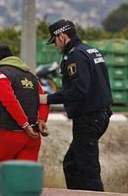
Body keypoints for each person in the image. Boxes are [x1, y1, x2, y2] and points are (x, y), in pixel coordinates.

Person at [39, 19, 112, 191]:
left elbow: (79, 90)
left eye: (55, 41)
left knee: (88, 170)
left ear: (62, 36)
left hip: (89, 118)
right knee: (72, 165)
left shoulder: (75, 55)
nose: (56, 46)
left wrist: (48, 99)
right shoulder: (91, 50)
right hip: (100, 114)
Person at [0, 45, 50, 184]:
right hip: (33, 137)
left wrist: (24, 125)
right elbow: (43, 99)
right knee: (24, 181)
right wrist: (42, 120)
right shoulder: (32, 76)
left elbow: (9, 100)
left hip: (10, 134)